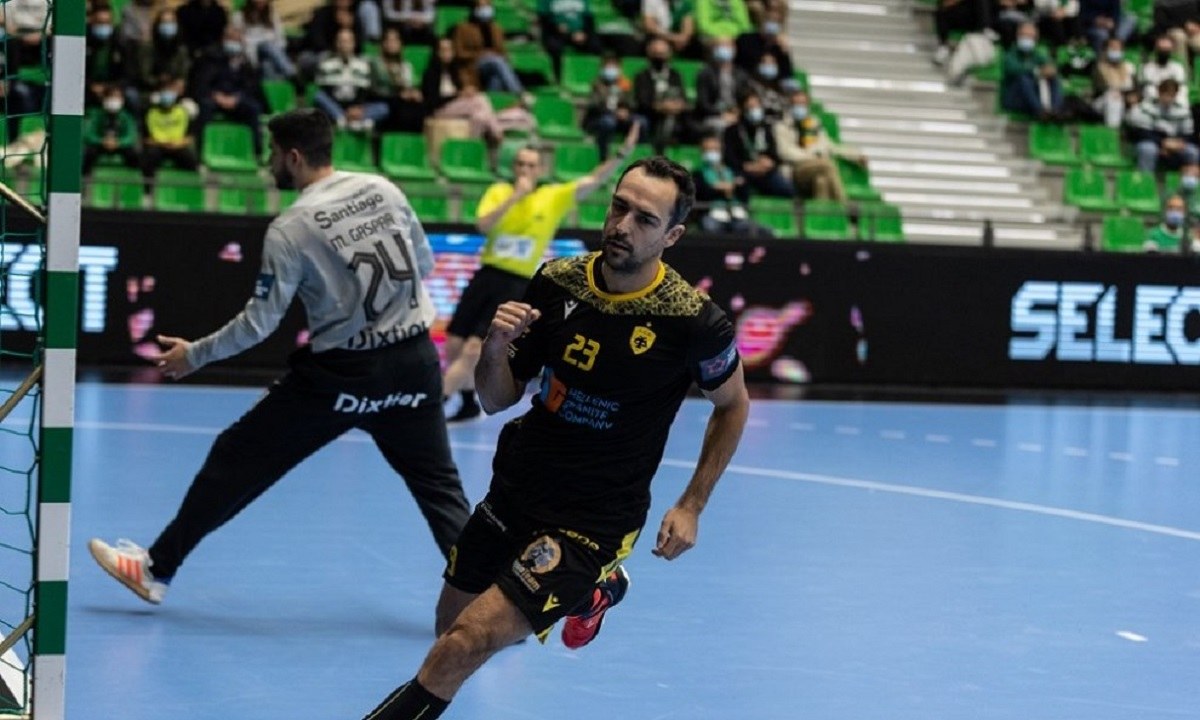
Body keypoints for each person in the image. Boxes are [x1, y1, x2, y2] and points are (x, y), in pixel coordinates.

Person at [356, 154, 750, 720]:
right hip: (517, 488)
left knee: (463, 644)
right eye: (619, 207)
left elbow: (733, 405)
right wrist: (495, 349)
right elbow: (497, 398)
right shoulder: (556, 281)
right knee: (448, 627)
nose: (622, 226)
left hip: (593, 518)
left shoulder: (694, 321)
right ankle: (594, 593)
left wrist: (691, 504)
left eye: (644, 219)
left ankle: (590, 576)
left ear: (672, 235)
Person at [88, 109, 471, 605]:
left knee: (237, 456)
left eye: (271, 154)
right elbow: (424, 262)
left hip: (343, 375)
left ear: (292, 157)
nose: (268, 163)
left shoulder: (291, 228)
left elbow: (259, 323)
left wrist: (195, 355)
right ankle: (490, 603)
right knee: (440, 487)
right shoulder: (383, 189)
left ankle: (155, 569)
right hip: (415, 363)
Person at [441, 129, 639, 422]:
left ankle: (435, 405)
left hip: (515, 281)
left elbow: (593, 181)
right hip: (487, 275)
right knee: (455, 344)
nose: (525, 169)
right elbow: (484, 225)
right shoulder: (499, 192)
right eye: (521, 164)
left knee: (473, 349)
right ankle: (469, 401)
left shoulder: (552, 197)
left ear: (540, 169)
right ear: (514, 167)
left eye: (531, 165)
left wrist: (621, 154)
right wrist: (516, 196)